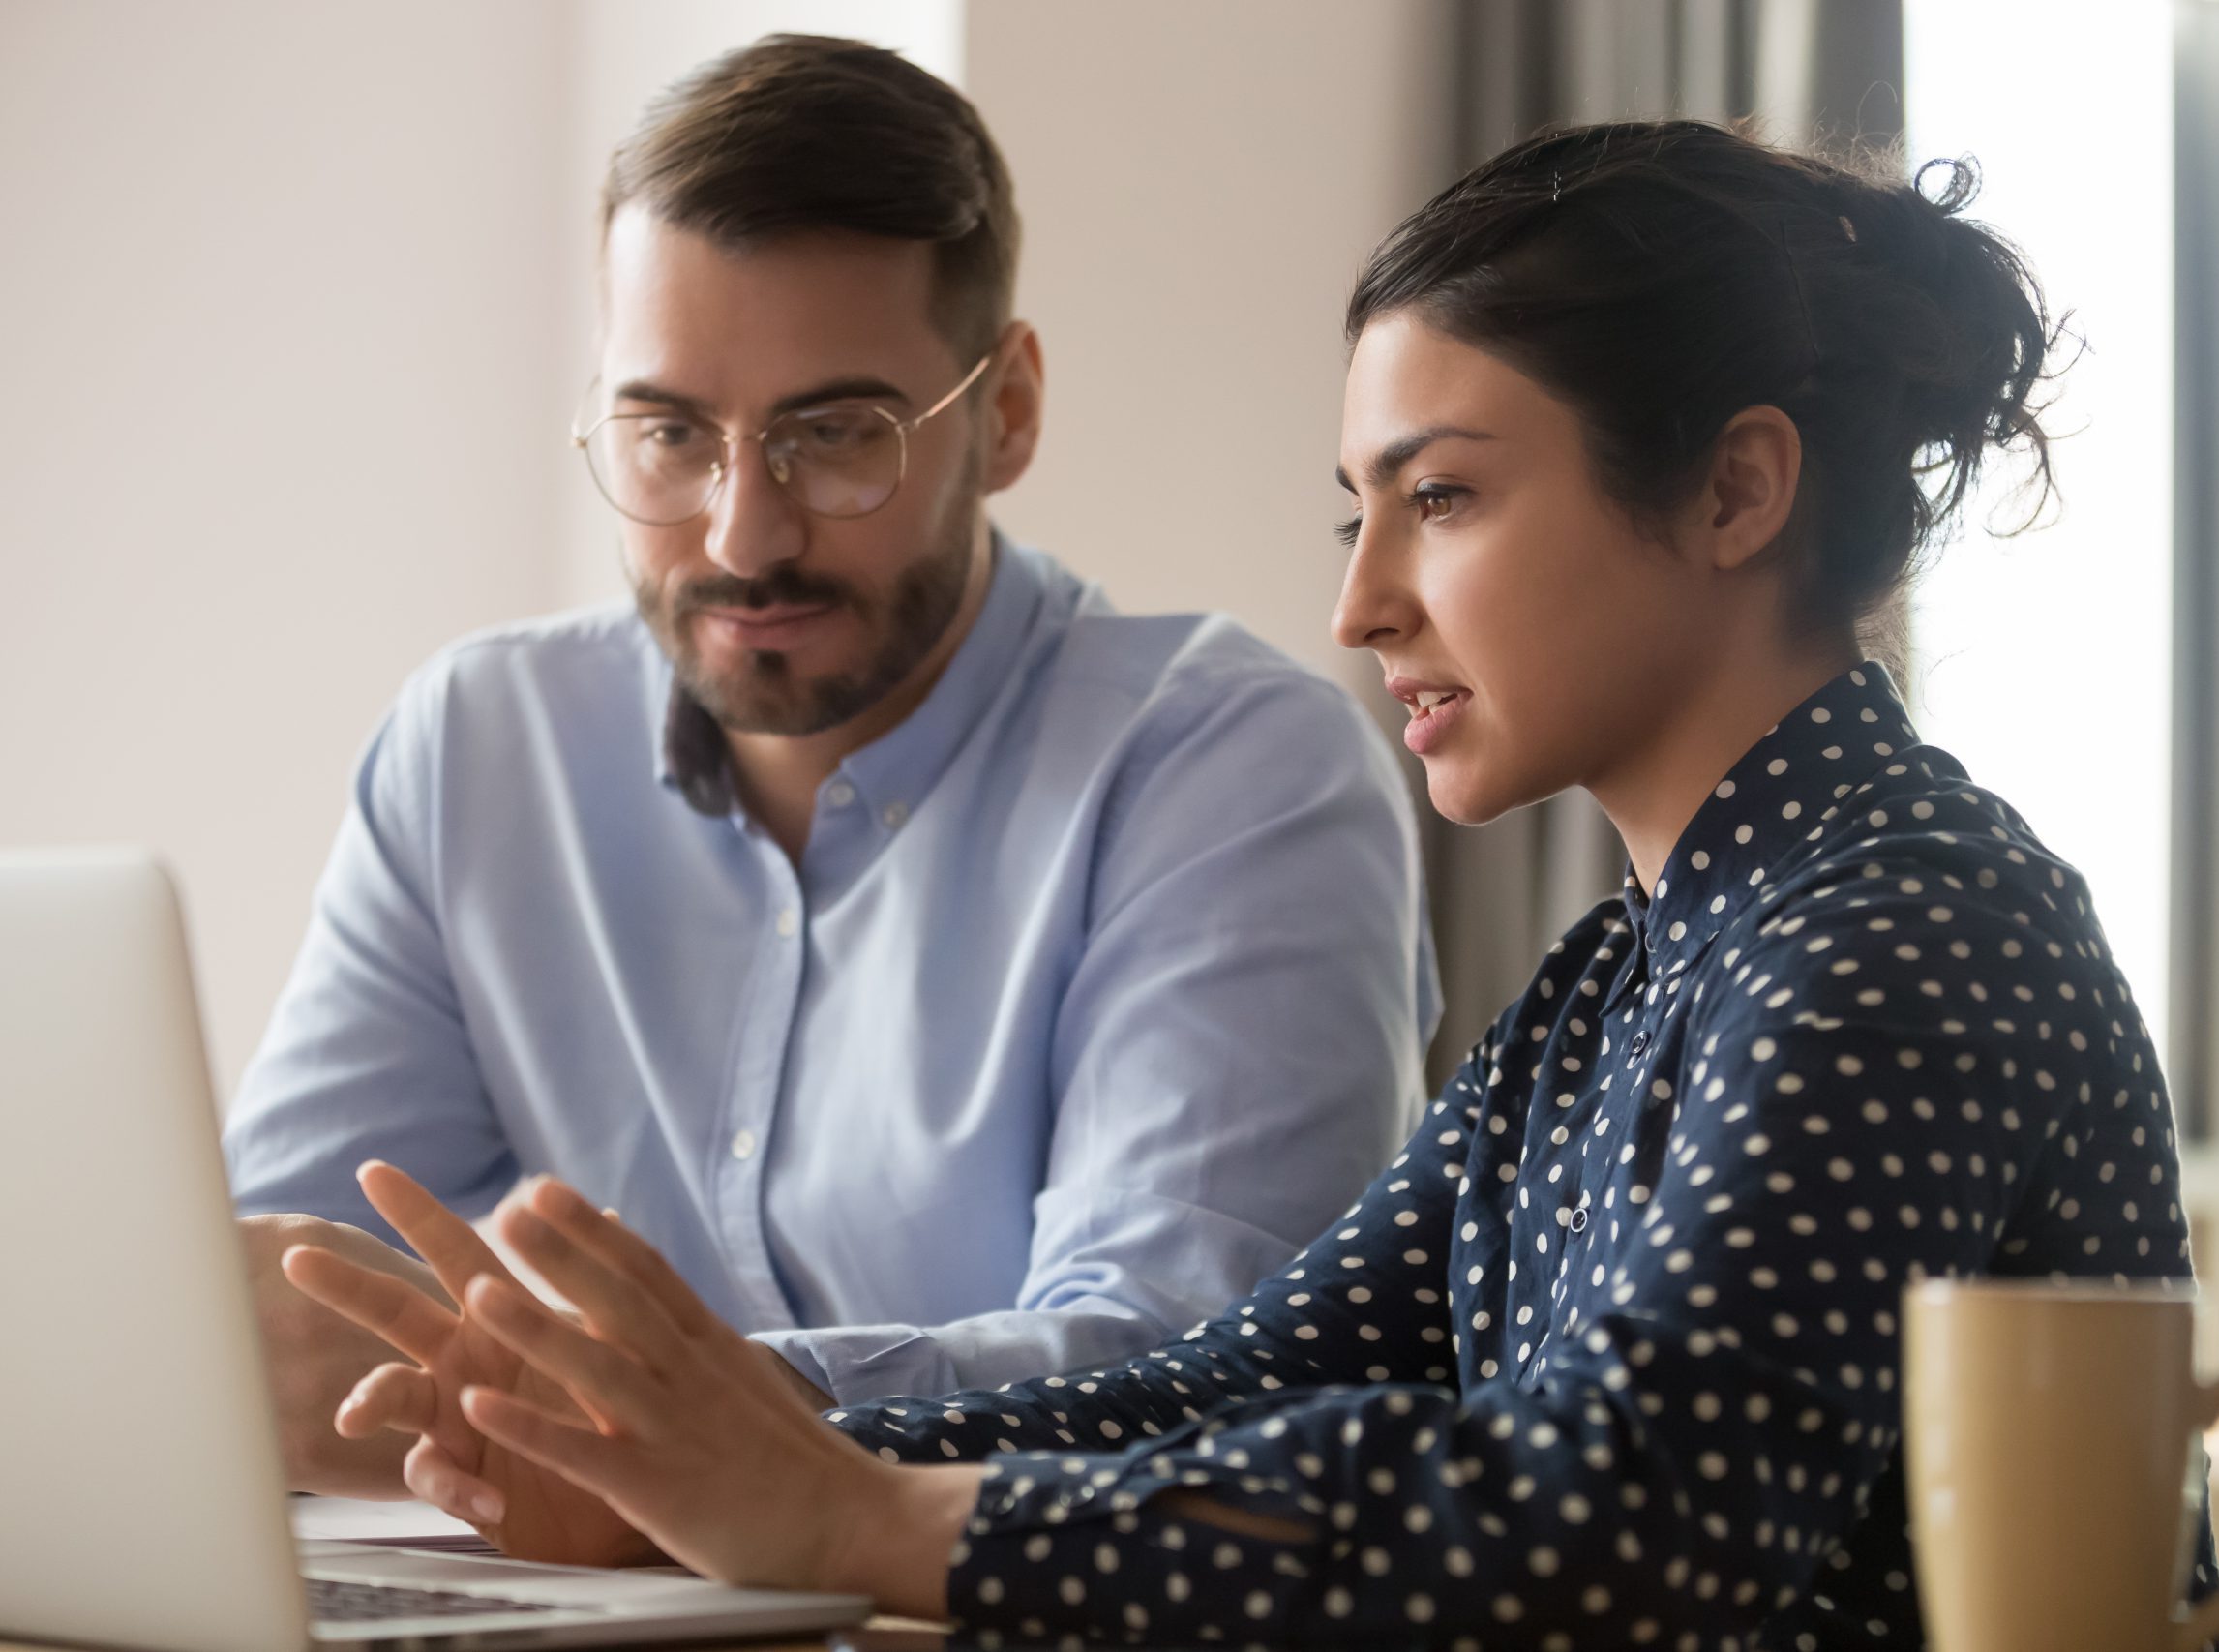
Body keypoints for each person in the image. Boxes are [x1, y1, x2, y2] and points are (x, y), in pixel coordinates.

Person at [285, 119, 2219, 1650]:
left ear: (1732, 490)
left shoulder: (1902, 924)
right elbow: (1230, 1382)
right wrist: (683, 1451)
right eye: (1354, 508)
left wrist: (852, 1513)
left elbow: (1634, 1526)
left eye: (1441, 495)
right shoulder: (1617, 982)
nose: (1356, 599)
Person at [224, 34, 1436, 1511]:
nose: (745, 535)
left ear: (1008, 412)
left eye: (835, 435)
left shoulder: (1235, 770)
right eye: (669, 434)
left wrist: (655, 1425)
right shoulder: (479, 747)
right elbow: (278, 1301)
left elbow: (1184, 1366)